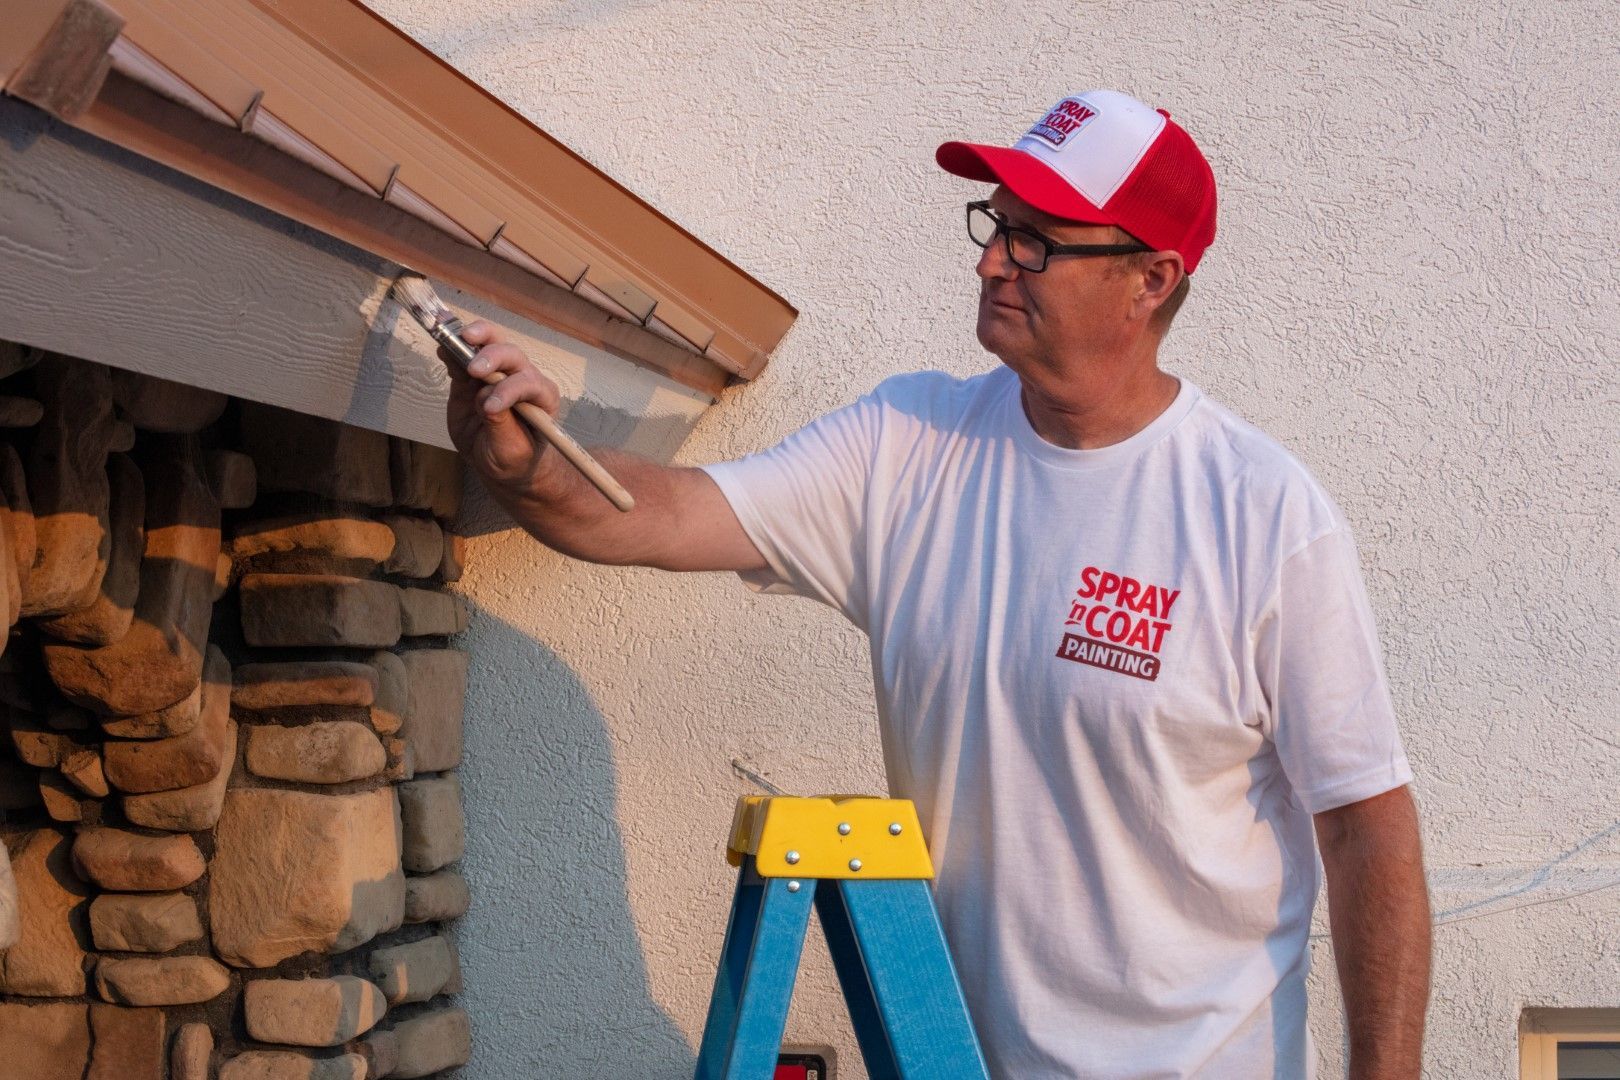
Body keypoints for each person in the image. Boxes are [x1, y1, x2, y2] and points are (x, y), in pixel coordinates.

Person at [444, 88, 1431, 1079]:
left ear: (1150, 279)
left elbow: (1367, 832)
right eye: (997, 225)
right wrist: (525, 455)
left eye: (1038, 240)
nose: (993, 259)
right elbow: (649, 513)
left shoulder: (1261, 516)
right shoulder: (908, 447)